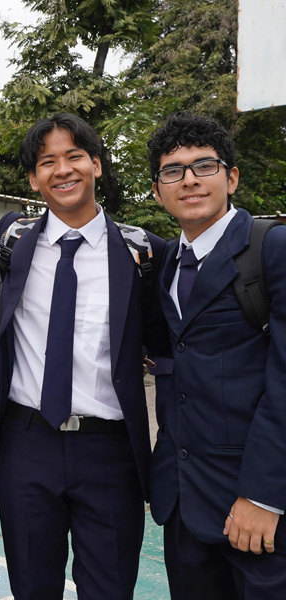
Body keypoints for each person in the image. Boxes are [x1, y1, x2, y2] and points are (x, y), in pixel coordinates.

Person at [0, 113, 169, 600]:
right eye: (48, 162)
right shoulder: (10, 241)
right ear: (33, 178)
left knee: (108, 588)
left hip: (110, 451)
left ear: (97, 166)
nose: (63, 170)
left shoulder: (143, 251)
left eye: (74, 157)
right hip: (26, 445)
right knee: (31, 587)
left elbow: (170, 337)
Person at [147, 112, 286, 599]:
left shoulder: (271, 249)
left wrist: (265, 496)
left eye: (203, 165)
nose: (188, 179)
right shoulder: (165, 262)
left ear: (231, 177)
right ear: (159, 190)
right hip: (183, 503)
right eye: (172, 170)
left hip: (256, 509)